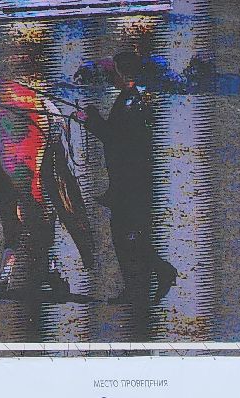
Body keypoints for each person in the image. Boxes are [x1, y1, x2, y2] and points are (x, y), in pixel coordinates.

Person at [83, 50, 177, 305]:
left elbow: (115, 138)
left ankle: (149, 279)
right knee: (132, 236)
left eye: (113, 72)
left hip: (129, 184)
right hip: (134, 182)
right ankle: (149, 278)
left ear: (123, 74)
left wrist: (91, 120)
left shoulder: (129, 102)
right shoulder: (135, 99)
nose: (111, 76)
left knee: (123, 236)